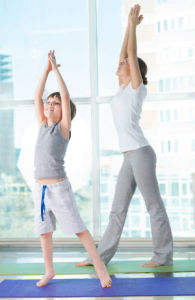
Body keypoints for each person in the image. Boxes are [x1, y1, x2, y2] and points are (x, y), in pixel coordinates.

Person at [76, 4, 173, 268]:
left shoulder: (136, 90)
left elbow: (131, 53)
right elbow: (124, 52)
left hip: (141, 153)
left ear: (135, 71)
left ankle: (163, 256)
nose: (120, 64)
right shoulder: (121, 91)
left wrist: (132, 25)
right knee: (117, 210)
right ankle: (99, 257)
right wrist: (131, 28)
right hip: (129, 155)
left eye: (125, 64)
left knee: (153, 205)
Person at [33, 50, 112, 288]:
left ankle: (100, 269)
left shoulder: (62, 129)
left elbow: (65, 96)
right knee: (45, 232)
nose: (51, 104)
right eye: (50, 102)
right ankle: (49, 270)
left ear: (64, 112)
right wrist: (45, 71)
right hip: (40, 189)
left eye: (56, 104)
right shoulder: (42, 126)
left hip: (59, 189)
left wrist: (56, 70)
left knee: (79, 229)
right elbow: (37, 96)